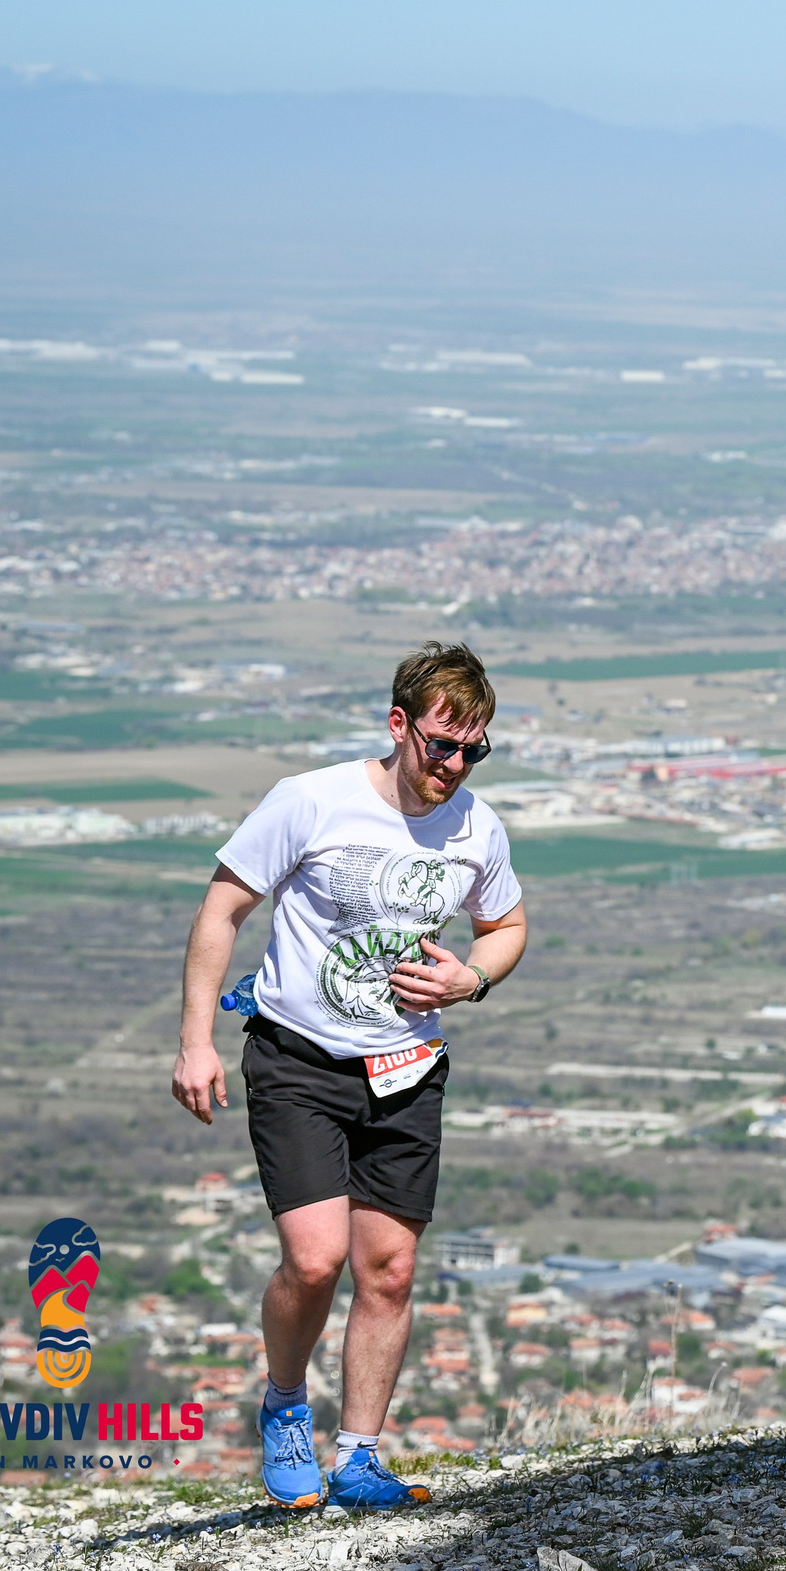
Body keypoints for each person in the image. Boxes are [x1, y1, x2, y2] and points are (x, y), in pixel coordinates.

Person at [169, 641, 527, 1508]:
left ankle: (360, 1455)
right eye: (443, 743)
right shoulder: (311, 799)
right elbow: (223, 907)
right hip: (299, 1057)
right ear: (399, 724)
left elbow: (508, 923)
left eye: (473, 748)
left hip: (408, 1068)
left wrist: (471, 977)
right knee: (316, 1258)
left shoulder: (476, 826)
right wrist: (195, 1041)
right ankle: (285, 1402)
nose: (455, 764)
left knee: (391, 1269)